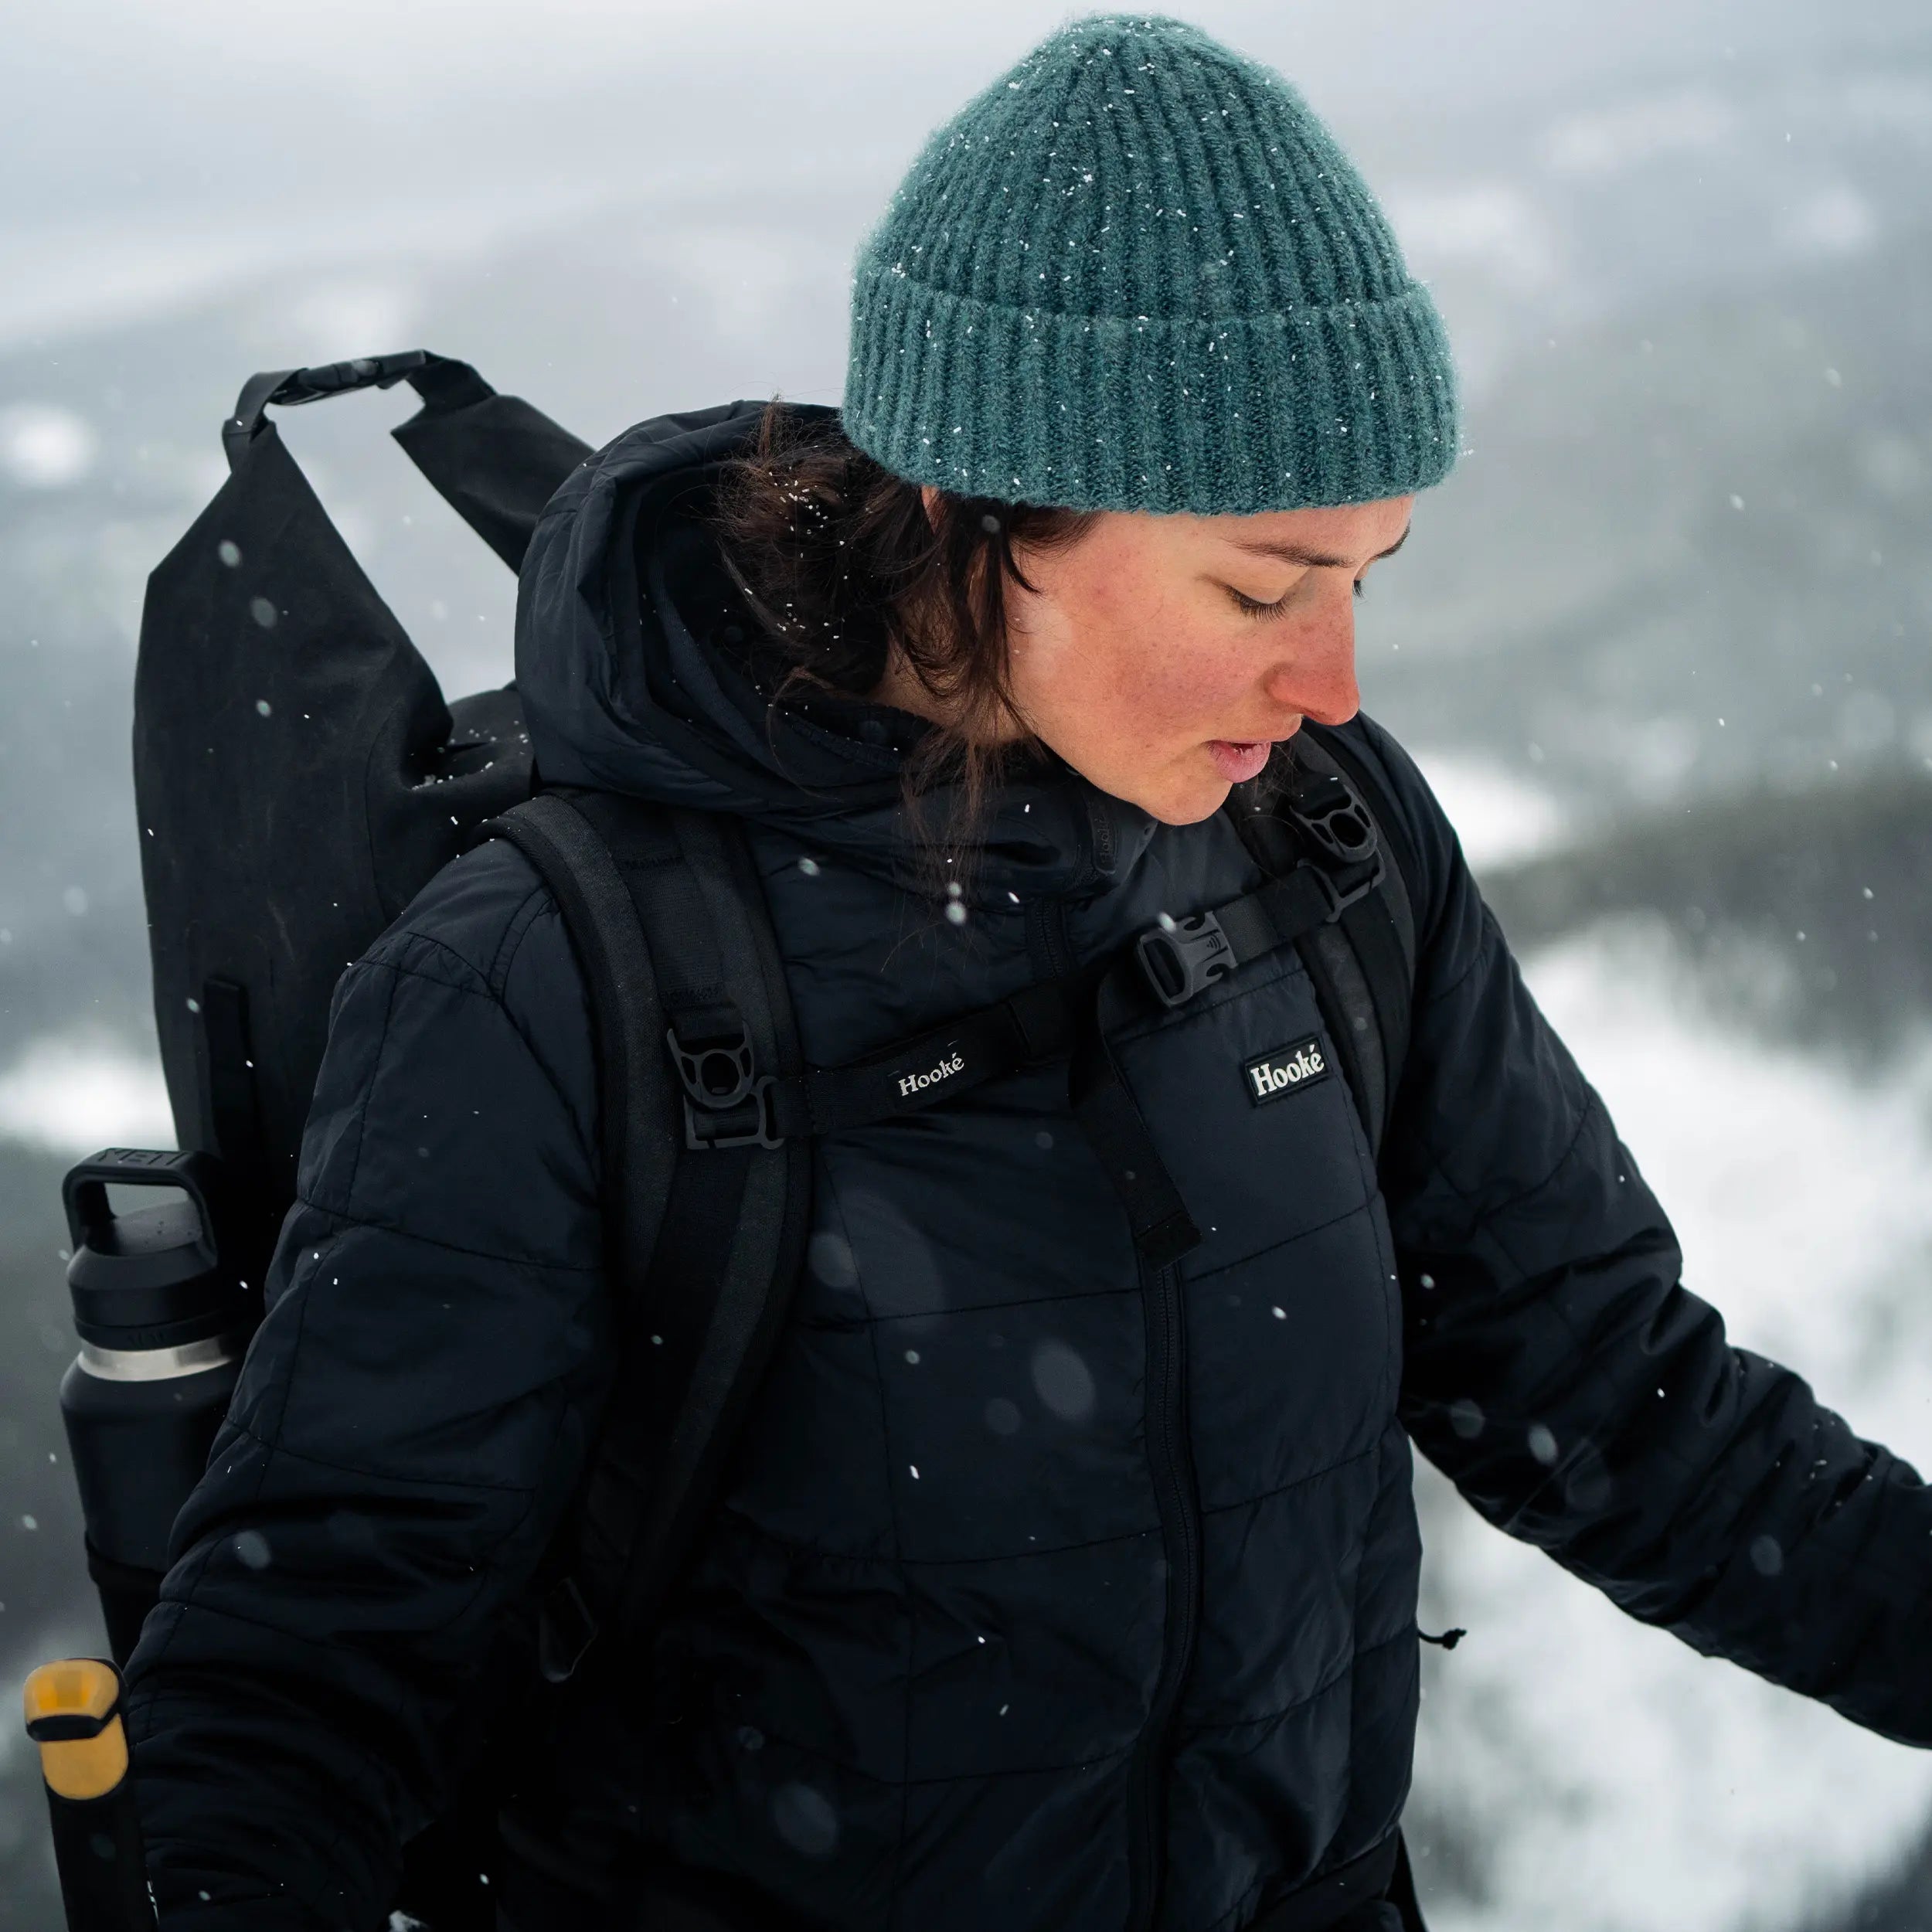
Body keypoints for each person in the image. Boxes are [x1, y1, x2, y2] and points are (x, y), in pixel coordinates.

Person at [122, 14, 1932, 1932]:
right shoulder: (553, 978)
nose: (1331, 681)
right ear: (978, 519)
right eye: (1256, 586)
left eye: (1364, 575)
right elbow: (306, 1673)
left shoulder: (1322, 849)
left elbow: (1620, 1404)